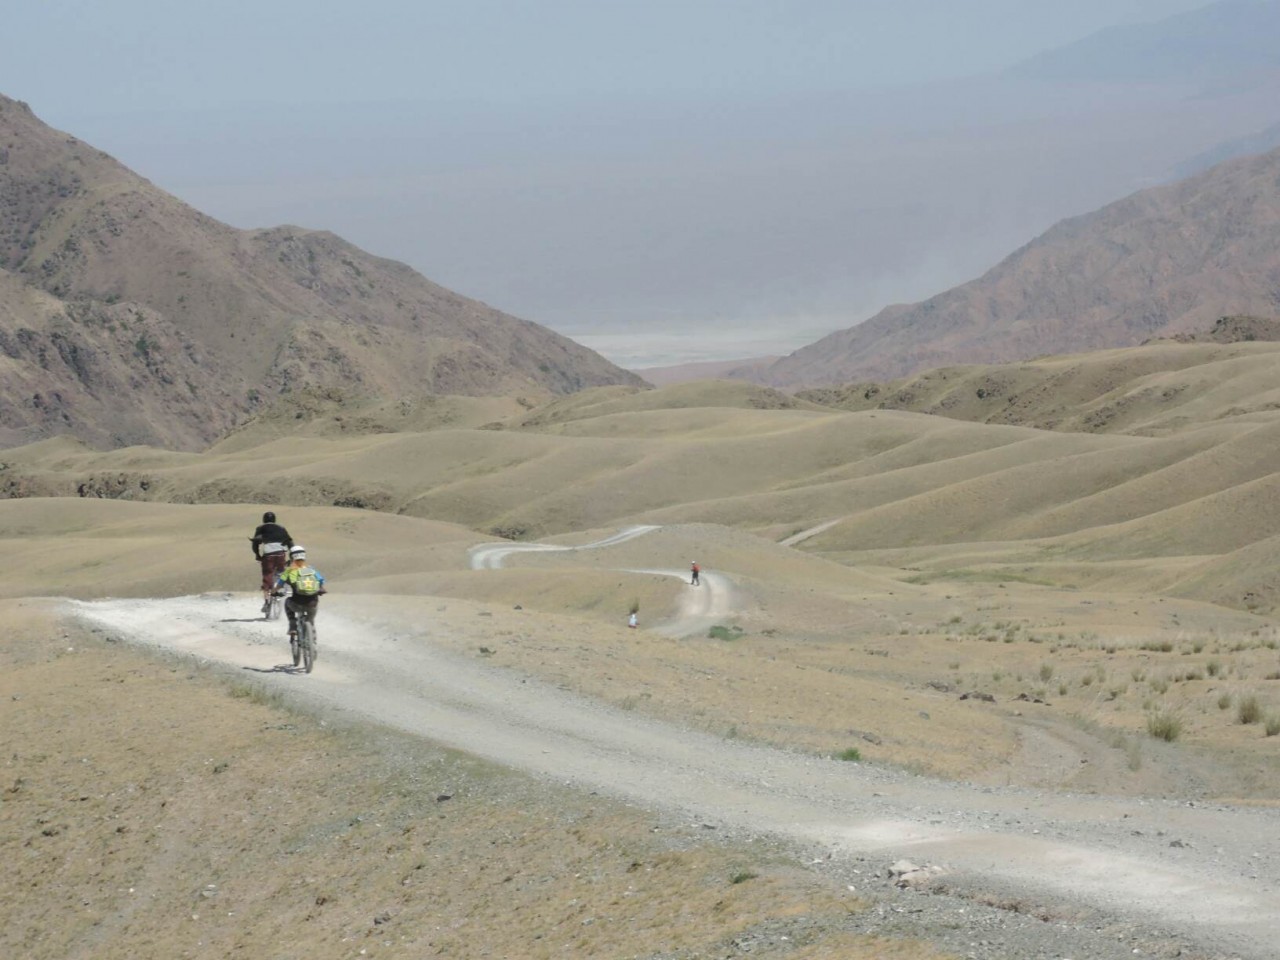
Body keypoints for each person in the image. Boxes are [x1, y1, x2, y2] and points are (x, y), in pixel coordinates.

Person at [276, 544, 327, 649]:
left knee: (287, 603)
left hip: (296, 604)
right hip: (312, 604)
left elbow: (279, 585)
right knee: (310, 620)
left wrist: (273, 592)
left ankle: (292, 625)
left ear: (291, 557)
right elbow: (321, 581)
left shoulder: (289, 571)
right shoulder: (311, 569)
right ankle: (313, 643)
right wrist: (320, 589)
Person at [250, 511, 293, 612]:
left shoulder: (260, 528)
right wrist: (292, 556)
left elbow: (255, 543)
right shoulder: (281, 528)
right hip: (281, 554)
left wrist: (257, 555)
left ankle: (266, 602)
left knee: (267, 576)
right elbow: (290, 542)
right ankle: (280, 588)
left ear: (264, 519)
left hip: (268, 555)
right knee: (281, 572)